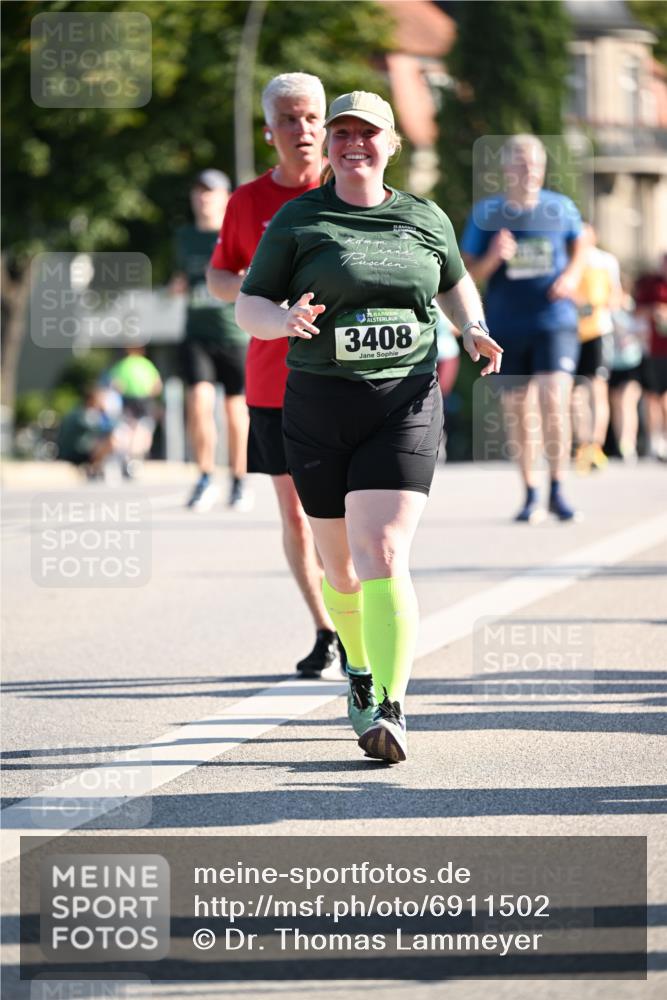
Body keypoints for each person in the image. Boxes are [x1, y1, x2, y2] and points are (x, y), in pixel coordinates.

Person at [236, 91, 502, 762]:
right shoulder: (299, 219)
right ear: (328, 145)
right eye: (342, 132)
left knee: (381, 551)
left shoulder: (423, 216)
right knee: (341, 569)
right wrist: (282, 322)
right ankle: (357, 663)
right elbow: (249, 303)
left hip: (404, 400)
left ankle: (388, 701)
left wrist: (470, 327)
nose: (353, 142)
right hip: (319, 405)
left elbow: (452, 283)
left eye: (368, 132)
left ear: (392, 143)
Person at [207, 72, 346, 679]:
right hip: (272, 382)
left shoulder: (351, 189)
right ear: (270, 131)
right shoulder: (247, 202)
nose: (305, 129)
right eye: (290, 119)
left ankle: (357, 621)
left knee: (343, 513)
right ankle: (326, 628)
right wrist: (258, 294)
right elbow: (219, 275)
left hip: (343, 378)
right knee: (295, 514)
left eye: (313, 117)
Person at [461, 134, 587, 523]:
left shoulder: (560, 207)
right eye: (519, 162)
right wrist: (494, 258)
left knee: (554, 398)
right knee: (519, 410)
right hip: (508, 324)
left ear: (543, 167)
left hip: (555, 321)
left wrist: (570, 274)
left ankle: (558, 489)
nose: (528, 169)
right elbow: (468, 273)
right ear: (506, 169)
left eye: (534, 162)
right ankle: (531, 493)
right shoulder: (487, 213)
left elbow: (581, 246)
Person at [174, 169, 251, 512]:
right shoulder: (184, 237)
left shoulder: (236, 233)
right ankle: (205, 477)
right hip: (197, 334)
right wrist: (175, 285)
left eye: (210, 191)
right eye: (198, 191)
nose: (203, 197)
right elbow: (183, 276)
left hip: (234, 333)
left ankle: (238, 480)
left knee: (235, 412)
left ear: (226, 197)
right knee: (199, 404)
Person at [572, 223, 621, 474]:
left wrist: (595, 304)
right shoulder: (568, 259)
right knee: (576, 394)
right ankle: (582, 445)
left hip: (599, 332)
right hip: (571, 334)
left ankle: (596, 445)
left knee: (597, 390)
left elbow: (617, 297)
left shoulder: (606, 261)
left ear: (594, 235)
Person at [107, 346, 162, 477]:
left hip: (128, 399)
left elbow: (115, 384)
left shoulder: (122, 365)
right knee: (142, 428)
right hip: (144, 399)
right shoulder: (146, 364)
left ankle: (128, 456)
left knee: (128, 428)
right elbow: (157, 386)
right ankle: (135, 457)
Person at [634, 252, 667, 461]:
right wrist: (654, 311)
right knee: (652, 396)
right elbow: (636, 311)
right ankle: (654, 441)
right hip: (653, 350)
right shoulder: (651, 284)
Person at [608, 274, 645, 461]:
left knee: (627, 402)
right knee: (615, 405)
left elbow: (641, 329)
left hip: (632, 362)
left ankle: (628, 444)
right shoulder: (607, 309)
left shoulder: (632, 309)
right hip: (612, 363)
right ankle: (618, 444)